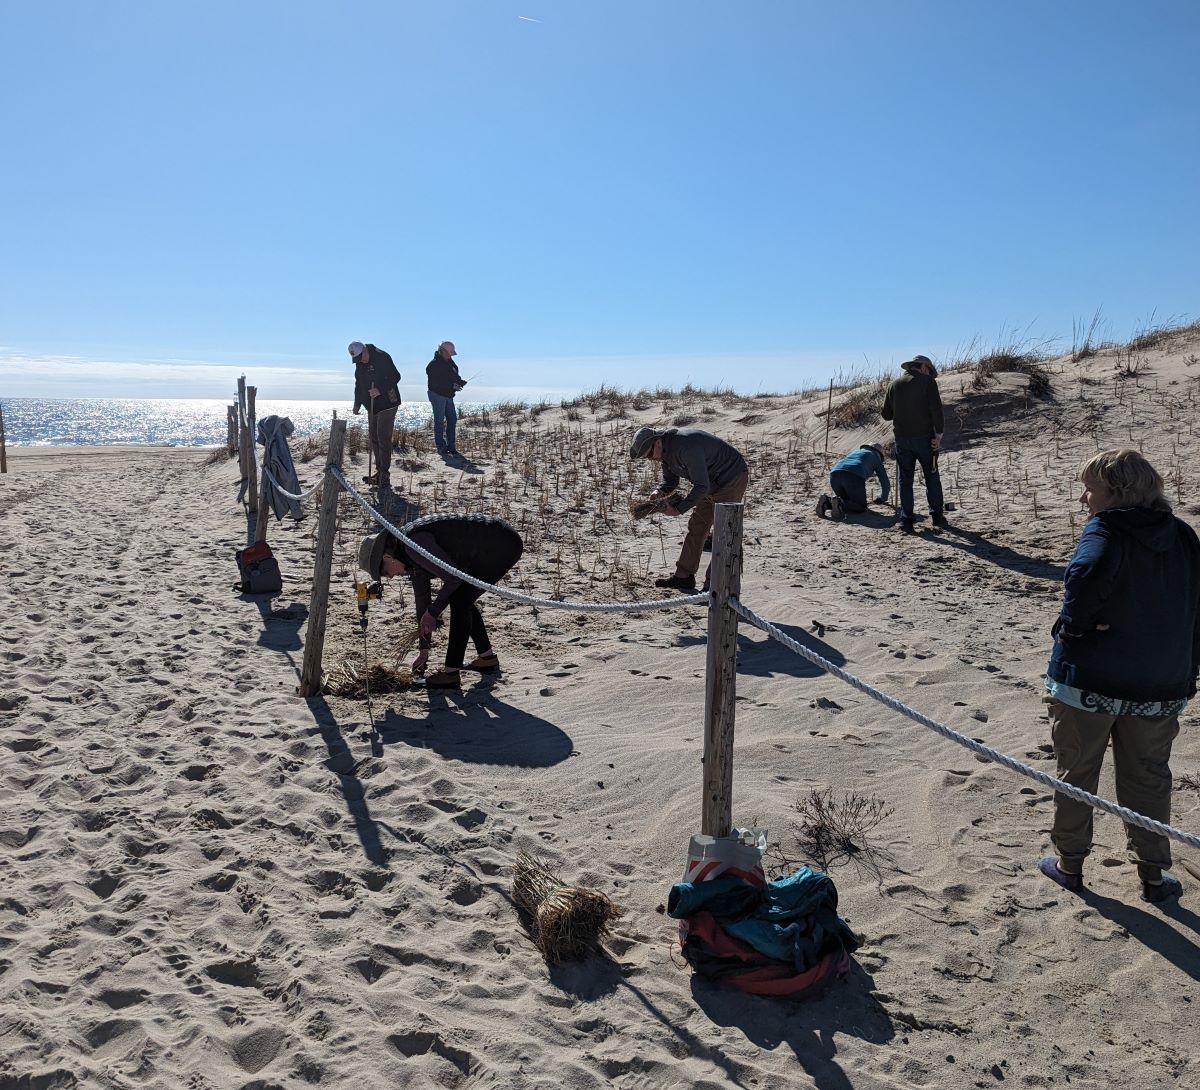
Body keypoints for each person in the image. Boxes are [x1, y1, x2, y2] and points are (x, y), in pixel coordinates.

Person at [1038, 449, 1200, 904]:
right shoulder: (1184, 536)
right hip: (1159, 685)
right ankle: (1152, 876)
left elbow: (1085, 575)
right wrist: (1187, 669)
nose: (1084, 499)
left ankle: (1070, 866)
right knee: (1148, 777)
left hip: (1090, 681)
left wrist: (1075, 627)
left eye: (1091, 488)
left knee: (1077, 773)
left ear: (1118, 491)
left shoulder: (1106, 528)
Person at [358, 514, 523, 689]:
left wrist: (434, 611)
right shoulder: (409, 558)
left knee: (460, 599)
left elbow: (452, 579)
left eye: (384, 573)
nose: (390, 577)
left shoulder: (413, 546)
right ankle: (486, 659)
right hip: (487, 548)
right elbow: (423, 600)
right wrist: (424, 650)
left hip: (501, 543)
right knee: (462, 596)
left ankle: (451, 673)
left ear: (387, 558)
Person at [629, 426, 749, 591]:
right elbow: (670, 482)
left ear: (657, 442)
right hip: (709, 484)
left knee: (723, 532)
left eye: (649, 454)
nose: (650, 459)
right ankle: (683, 577)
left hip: (731, 478)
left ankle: (714, 586)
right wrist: (659, 492)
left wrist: (679, 509)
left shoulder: (686, 446)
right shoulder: (665, 454)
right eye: (645, 457)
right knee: (697, 527)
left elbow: (701, 486)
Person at [881, 354, 945, 533]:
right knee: (932, 477)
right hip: (926, 440)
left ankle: (906, 520)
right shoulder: (928, 383)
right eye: (929, 371)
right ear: (924, 367)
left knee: (905, 480)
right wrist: (939, 435)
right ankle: (937, 517)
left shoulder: (893, 385)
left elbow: (886, 415)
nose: (929, 374)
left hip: (902, 440)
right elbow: (937, 411)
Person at [349, 341, 402, 490]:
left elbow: (396, 377)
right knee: (373, 437)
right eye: (357, 360)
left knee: (383, 438)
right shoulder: (359, 364)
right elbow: (358, 385)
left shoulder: (382, 357)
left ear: (365, 350)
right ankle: (379, 471)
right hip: (372, 406)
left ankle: (384, 475)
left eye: (361, 358)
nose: (361, 361)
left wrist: (380, 389)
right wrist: (357, 403)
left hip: (388, 402)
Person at [815, 443, 890, 519]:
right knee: (860, 507)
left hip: (834, 474)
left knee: (845, 501)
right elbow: (884, 481)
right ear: (879, 454)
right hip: (853, 476)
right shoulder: (875, 457)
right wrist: (883, 498)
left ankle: (826, 502)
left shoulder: (855, 451)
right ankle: (839, 503)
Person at [426, 341, 466, 458]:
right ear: (442, 351)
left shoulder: (451, 363)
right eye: (449, 353)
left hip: (449, 395)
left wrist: (459, 382)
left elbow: (454, 376)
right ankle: (441, 448)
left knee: (452, 419)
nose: (450, 355)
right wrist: (451, 385)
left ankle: (451, 447)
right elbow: (435, 383)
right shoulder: (433, 365)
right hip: (437, 395)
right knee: (439, 421)